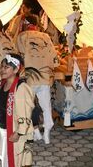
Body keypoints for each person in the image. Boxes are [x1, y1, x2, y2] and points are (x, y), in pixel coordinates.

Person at [16, 15, 59, 144]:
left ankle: (35, 133)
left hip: (30, 77)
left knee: (29, 106)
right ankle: (46, 135)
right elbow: (54, 59)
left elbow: (18, 56)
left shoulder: (22, 36)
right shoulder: (45, 36)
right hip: (44, 76)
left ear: (25, 23)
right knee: (46, 106)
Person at [0, 54, 34, 167]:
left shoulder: (21, 88)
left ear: (16, 69)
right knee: (4, 157)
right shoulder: (2, 84)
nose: (2, 70)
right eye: (1, 66)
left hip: (14, 130)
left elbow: (25, 113)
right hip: (2, 128)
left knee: (14, 161)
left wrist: (19, 132)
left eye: (6, 67)